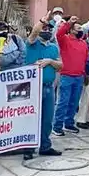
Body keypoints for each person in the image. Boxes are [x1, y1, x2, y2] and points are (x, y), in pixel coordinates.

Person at [23, 17, 63, 160]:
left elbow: (61, 65)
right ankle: (28, 148)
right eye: (44, 28)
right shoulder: (31, 44)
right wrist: (42, 21)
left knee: (47, 119)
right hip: (33, 87)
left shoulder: (53, 47)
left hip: (49, 87)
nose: (46, 31)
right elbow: (34, 33)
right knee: (32, 119)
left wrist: (50, 61)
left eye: (48, 29)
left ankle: (45, 146)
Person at [54, 12, 89, 135]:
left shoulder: (83, 44)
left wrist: (84, 74)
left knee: (74, 103)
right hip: (66, 76)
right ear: (71, 30)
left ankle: (68, 124)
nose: (81, 30)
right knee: (63, 102)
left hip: (79, 77)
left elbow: (85, 60)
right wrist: (69, 23)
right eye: (78, 28)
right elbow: (59, 33)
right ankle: (57, 126)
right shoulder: (65, 40)